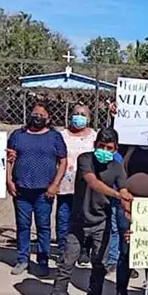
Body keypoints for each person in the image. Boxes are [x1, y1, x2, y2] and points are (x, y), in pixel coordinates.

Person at [45, 128, 131, 295]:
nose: (104, 150)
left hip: (102, 222)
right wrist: (118, 195)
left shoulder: (118, 167)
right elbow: (92, 182)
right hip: (78, 222)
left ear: (115, 148)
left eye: (109, 148)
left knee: (99, 266)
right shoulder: (86, 159)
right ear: (95, 145)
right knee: (67, 264)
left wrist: (129, 205)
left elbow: (124, 189)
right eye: (101, 146)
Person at [7, 103, 68, 276]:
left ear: (48, 118)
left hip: (44, 191)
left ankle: (43, 260)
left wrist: (55, 184)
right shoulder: (18, 135)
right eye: (35, 113)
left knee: (43, 226)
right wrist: (9, 180)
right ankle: (22, 259)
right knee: (23, 225)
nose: (38, 117)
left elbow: (63, 161)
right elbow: (9, 158)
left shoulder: (55, 137)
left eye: (42, 114)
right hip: (21, 189)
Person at [57, 104, 97, 262]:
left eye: (82, 114)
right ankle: (63, 250)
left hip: (86, 186)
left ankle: (83, 251)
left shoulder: (94, 136)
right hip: (65, 185)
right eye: (76, 113)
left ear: (88, 118)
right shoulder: (62, 135)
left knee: (85, 218)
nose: (78, 117)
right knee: (63, 218)